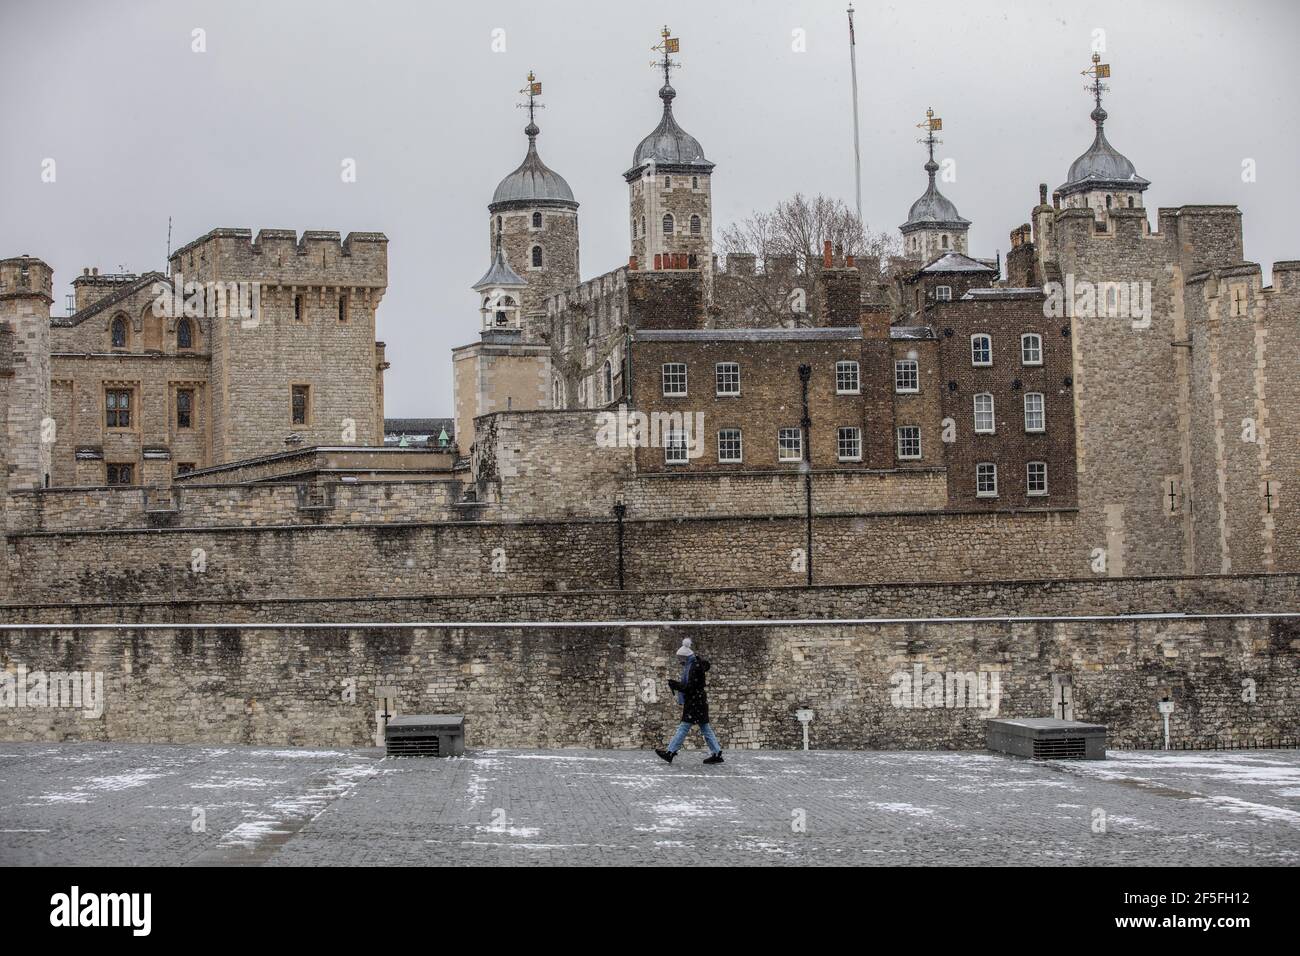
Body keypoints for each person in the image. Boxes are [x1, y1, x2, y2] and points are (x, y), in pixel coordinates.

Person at [655, 637, 724, 765]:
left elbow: (690, 688)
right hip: (698, 702)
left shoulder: (694, 667)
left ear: (685, 657)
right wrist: (677, 685)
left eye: (681, 658)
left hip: (695, 703)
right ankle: (716, 753)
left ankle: (670, 752)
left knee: (684, 727)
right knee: (704, 728)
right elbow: (691, 686)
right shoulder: (693, 666)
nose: (680, 661)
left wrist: (676, 685)